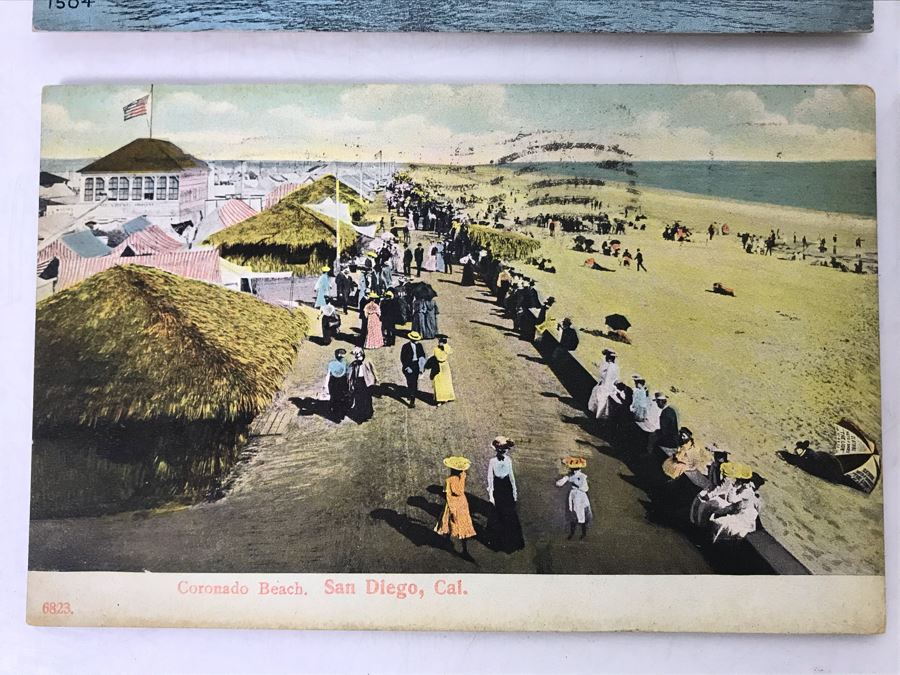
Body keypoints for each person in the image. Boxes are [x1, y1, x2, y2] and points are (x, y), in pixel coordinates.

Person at [486, 436, 524, 553]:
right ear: (497, 450)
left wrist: (514, 492)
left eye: (505, 449)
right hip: (498, 488)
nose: (503, 452)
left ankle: (512, 544)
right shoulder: (492, 461)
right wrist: (491, 496)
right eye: (501, 449)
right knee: (499, 515)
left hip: (507, 487)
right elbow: (490, 478)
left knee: (510, 516)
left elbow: (512, 477)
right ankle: (498, 543)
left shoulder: (508, 460)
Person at [435, 456, 477, 558]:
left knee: (449, 525)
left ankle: (447, 541)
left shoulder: (449, 479)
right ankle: (464, 549)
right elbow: (459, 491)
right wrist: (463, 479)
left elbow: (446, 492)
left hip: (455, 505)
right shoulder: (455, 479)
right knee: (461, 526)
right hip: (458, 505)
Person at [556, 456, 591, 539]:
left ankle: (583, 533)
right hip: (574, 496)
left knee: (581, 514)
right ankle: (572, 533)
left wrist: (575, 484)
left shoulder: (582, 476)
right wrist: (563, 480)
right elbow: (559, 483)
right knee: (572, 514)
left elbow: (585, 488)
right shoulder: (570, 476)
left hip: (580, 497)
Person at [588, 349, 619, 421]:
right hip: (611, 388)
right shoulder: (616, 367)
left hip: (605, 387)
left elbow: (605, 377)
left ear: (608, 358)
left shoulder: (608, 366)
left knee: (598, 395)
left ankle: (597, 416)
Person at [347, 347, 377, 423]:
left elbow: (373, 371)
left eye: (358, 355)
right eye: (356, 356)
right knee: (359, 399)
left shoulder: (367, 361)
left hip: (366, 382)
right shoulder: (354, 364)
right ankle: (361, 415)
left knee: (367, 398)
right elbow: (351, 374)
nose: (357, 357)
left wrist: (375, 380)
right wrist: (351, 383)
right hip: (358, 382)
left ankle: (368, 414)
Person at [400, 331, 426, 407]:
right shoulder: (405, 346)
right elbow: (403, 358)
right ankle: (411, 395)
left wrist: (422, 365)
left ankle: (412, 397)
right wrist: (407, 367)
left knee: (414, 382)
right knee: (410, 381)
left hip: (416, 365)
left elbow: (422, 355)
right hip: (408, 366)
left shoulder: (419, 345)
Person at [323, 348, 349, 421]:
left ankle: (337, 414)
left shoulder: (332, 363)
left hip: (337, 382)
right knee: (339, 398)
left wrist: (325, 385)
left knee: (336, 398)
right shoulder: (345, 362)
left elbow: (328, 375)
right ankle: (339, 414)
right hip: (338, 382)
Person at [654, 392, 680, 457]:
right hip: (674, 440)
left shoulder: (664, 413)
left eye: (657, 402)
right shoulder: (671, 410)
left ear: (660, 402)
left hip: (669, 442)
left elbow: (664, 432)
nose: (657, 404)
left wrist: (656, 433)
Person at [432, 336, 455, 406]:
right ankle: (439, 399)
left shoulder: (446, 348)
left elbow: (450, 351)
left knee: (446, 382)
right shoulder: (436, 349)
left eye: (441, 342)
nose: (440, 343)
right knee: (438, 383)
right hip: (438, 366)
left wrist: (445, 346)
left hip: (445, 366)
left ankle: (447, 397)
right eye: (439, 342)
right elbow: (439, 358)